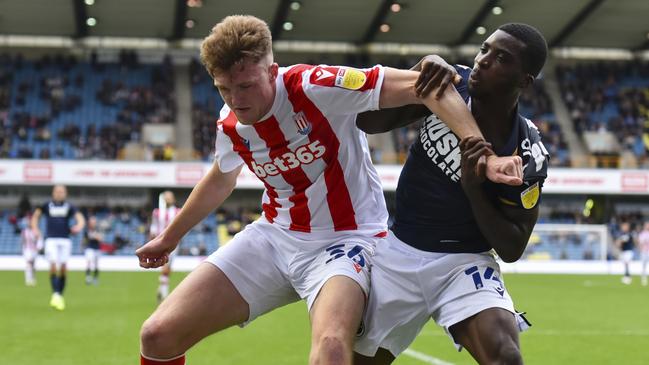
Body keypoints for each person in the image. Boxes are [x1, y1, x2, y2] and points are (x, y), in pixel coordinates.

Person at [135, 15, 522, 365]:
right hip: (274, 238)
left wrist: (482, 153)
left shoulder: (317, 84)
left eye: (246, 85)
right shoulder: (230, 123)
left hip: (347, 241)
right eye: (224, 89)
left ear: (272, 71)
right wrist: (169, 238)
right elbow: (222, 177)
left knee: (333, 350)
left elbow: (429, 87)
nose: (236, 100)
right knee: (157, 336)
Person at [353, 23, 550, 364]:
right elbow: (367, 122)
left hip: (464, 263)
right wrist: (416, 74)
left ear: (524, 81)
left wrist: (474, 190)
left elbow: (512, 247)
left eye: (501, 58)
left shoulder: (527, 151)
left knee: (505, 356)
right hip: (398, 253)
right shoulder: (449, 87)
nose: (483, 61)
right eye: (484, 49)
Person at [31, 185, 85, 310]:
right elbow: (35, 217)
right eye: (57, 191)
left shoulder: (69, 206)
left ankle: (59, 295)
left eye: (62, 192)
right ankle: (56, 294)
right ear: (53, 193)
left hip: (65, 239)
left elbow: (80, 218)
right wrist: (35, 229)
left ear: (65, 193)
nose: (60, 193)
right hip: (51, 239)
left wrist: (79, 226)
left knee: (64, 268)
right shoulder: (46, 205)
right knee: (53, 265)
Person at [149, 191, 181, 301]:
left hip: (174, 243)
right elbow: (153, 228)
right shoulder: (157, 212)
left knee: (168, 269)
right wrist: (152, 242)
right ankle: (164, 295)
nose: (168, 199)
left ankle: (162, 289)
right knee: (165, 267)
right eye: (166, 197)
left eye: (170, 197)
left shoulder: (178, 212)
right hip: (161, 243)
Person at [84, 216, 102, 285]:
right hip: (89, 248)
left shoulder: (98, 229)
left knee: (96, 264)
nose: (93, 223)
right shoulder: (87, 230)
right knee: (88, 263)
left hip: (97, 248)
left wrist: (95, 236)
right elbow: (85, 239)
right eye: (92, 222)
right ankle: (88, 277)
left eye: (94, 222)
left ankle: (95, 278)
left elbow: (100, 238)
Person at [638, 221, 649, 286]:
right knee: (644, 265)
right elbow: (640, 243)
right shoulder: (642, 234)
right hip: (644, 251)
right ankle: (643, 278)